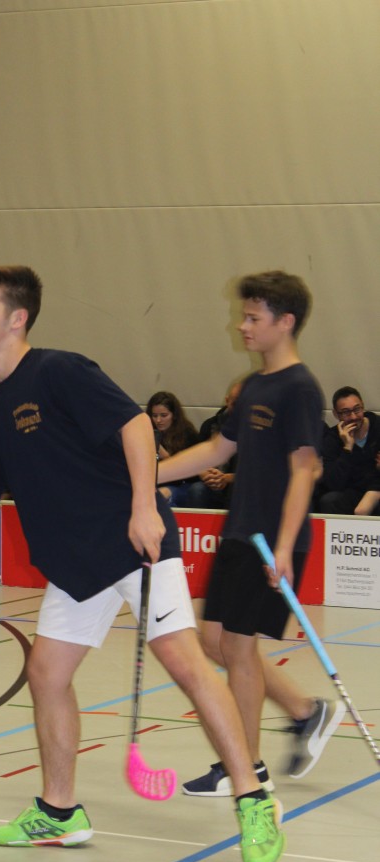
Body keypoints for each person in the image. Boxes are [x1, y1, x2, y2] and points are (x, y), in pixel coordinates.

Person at [0, 264, 284, 862]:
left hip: (133, 541)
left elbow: (134, 424)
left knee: (184, 662)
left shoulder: (59, 371)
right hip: (78, 566)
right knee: (46, 674)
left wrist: (143, 505)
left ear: (17, 319)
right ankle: (60, 811)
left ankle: (254, 799)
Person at [157, 271, 344, 796]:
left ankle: (246, 768)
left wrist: (283, 547)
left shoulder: (300, 388)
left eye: (252, 317)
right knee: (215, 640)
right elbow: (218, 450)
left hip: (273, 540)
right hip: (241, 532)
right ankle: (304, 711)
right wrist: (147, 474)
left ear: (285, 322)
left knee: (237, 649)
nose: (242, 325)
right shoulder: (256, 385)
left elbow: (304, 470)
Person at [315, 387, 380, 516]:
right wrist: (347, 448)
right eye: (346, 412)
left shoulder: (377, 426)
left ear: (363, 406)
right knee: (329, 500)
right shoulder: (332, 439)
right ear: (336, 414)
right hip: (352, 491)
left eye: (357, 409)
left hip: (376, 487)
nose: (353, 416)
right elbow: (333, 484)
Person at [184, 379, 242, 510]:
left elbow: (255, 472)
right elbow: (197, 460)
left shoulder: (255, 431)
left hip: (238, 484)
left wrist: (227, 478)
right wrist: (206, 475)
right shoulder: (210, 425)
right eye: (235, 404)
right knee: (196, 490)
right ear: (227, 401)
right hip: (212, 483)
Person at [145, 391, 199, 506]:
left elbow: (189, 472)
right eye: (154, 416)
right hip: (154, 483)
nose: (158, 420)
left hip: (182, 484)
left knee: (163, 496)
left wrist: (164, 455)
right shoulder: (146, 433)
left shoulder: (187, 434)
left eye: (164, 415)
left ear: (174, 415)